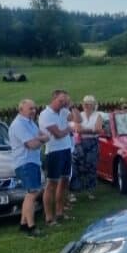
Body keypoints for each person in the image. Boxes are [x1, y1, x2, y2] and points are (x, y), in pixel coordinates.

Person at [8, 99, 49, 237]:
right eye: (30, 108)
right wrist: (42, 139)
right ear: (21, 110)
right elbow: (32, 144)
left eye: (34, 108)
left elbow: (41, 136)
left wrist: (40, 139)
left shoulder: (30, 123)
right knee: (32, 193)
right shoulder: (18, 124)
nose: (33, 111)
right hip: (25, 163)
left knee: (31, 193)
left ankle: (23, 224)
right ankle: (31, 227)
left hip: (33, 162)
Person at [38, 89, 73, 226]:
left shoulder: (64, 111)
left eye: (65, 100)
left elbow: (78, 119)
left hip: (66, 149)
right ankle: (49, 217)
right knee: (52, 184)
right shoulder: (45, 114)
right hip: (54, 151)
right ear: (54, 99)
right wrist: (69, 129)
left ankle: (60, 212)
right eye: (60, 100)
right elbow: (57, 134)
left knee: (64, 181)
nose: (63, 103)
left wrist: (71, 106)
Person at [70, 95, 103, 198]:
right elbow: (78, 129)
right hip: (80, 142)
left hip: (93, 143)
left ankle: (90, 190)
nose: (86, 106)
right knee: (76, 166)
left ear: (93, 105)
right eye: (85, 104)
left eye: (89, 104)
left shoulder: (98, 115)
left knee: (91, 166)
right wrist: (92, 130)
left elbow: (99, 129)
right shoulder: (80, 115)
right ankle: (75, 191)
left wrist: (86, 130)